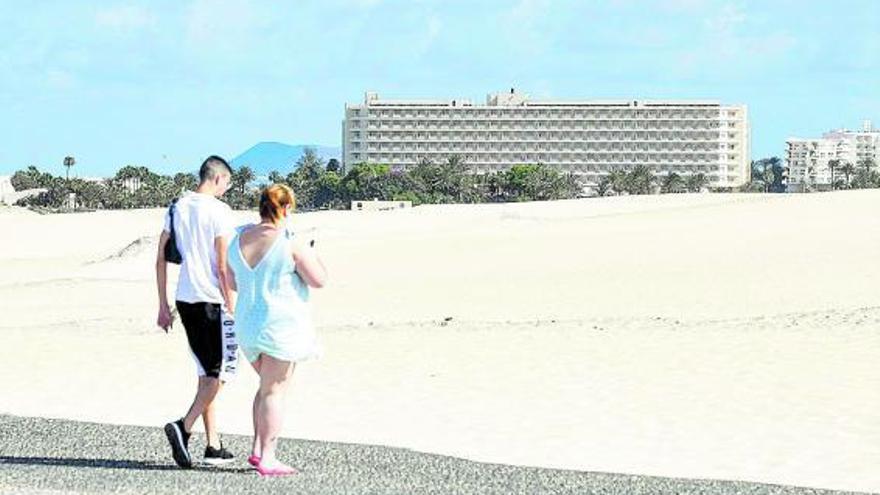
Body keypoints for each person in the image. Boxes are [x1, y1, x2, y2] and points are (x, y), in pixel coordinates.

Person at [226, 184, 327, 477]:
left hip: (248, 324)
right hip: (280, 325)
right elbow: (318, 280)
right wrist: (314, 254)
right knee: (275, 391)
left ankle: (258, 449)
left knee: (266, 387)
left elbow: (233, 282)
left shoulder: (237, 240)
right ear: (286, 209)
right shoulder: (289, 242)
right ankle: (268, 456)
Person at [155, 155, 238, 468]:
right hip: (211, 300)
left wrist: (162, 304)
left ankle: (213, 443)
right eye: (226, 184)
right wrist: (232, 305)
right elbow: (221, 264)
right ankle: (183, 427)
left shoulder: (177, 207)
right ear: (217, 179)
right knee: (221, 372)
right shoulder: (219, 211)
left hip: (184, 298)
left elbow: (160, 258)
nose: (225, 190)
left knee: (206, 372)